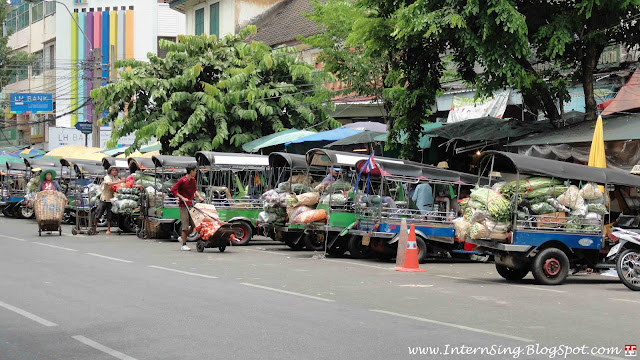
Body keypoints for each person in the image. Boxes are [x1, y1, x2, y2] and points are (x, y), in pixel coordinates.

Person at [170, 164, 204, 251]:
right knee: (185, 226)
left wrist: (199, 196)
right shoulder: (182, 180)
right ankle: (183, 245)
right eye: (195, 171)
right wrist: (182, 197)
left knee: (194, 225)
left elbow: (194, 189)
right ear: (191, 171)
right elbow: (173, 190)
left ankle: (182, 237)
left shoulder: (192, 180)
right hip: (183, 205)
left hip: (191, 205)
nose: (196, 172)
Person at [95, 166, 124, 235]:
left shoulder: (117, 178)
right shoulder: (107, 177)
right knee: (99, 213)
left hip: (112, 199)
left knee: (109, 215)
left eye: (116, 170)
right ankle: (94, 227)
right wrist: (119, 181)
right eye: (113, 170)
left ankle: (108, 229)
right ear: (110, 171)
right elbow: (109, 183)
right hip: (105, 198)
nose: (114, 171)